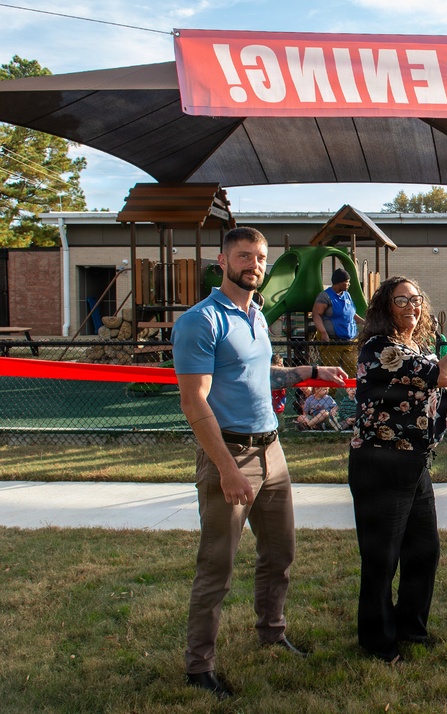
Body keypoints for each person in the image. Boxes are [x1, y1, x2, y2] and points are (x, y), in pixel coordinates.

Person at [172, 227, 348, 700]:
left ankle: (271, 632)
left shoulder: (255, 314)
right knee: (217, 565)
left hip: (273, 450)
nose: (254, 264)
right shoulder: (200, 320)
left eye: (261, 257)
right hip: (229, 454)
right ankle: (198, 666)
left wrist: (311, 372)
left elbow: (257, 372)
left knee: (280, 553)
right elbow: (194, 402)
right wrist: (227, 468)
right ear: (222, 260)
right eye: (245, 255)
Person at [349, 276, 447, 664]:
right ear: (385, 307)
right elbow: (443, 377)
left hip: (413, 461)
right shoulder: (381, 347)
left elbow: (420, 401)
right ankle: (378, 643)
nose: (412, 306)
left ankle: (410, 627)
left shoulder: (416, 347)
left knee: (424, 551)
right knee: (381, 558)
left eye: (416, 299)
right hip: (380, 461)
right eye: (401, 300)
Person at [312, 268, 364, 375]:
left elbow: (351, 313)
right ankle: (329, 392)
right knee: (331, 372)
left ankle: (353, 391)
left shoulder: (347, 295)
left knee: (353, 369)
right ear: (339, 282)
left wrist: (364, 322)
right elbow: (316, 314)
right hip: (332, 342)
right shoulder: (325, 296)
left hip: (350, 341)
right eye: (347, 281)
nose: (349, 284)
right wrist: (323, 333)